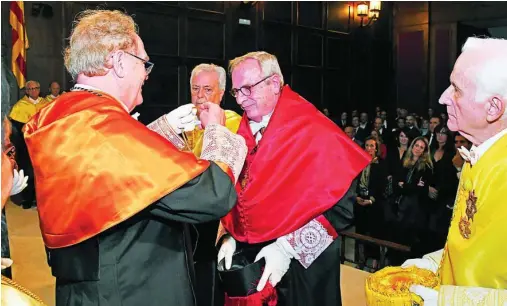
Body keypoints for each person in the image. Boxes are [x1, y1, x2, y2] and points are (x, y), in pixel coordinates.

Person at [23, 10, 247, 306]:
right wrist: (217, 132)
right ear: (117, 62)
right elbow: (214, 194)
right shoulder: (105, 128)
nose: (147, 73)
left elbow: (107, 177)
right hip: (129, 287)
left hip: (85, 283)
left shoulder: (62, 115)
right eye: (144, 63)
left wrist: (161, 129)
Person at [216, 51, 371, 305]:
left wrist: (287, 249)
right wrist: (230, 234)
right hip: (254, 265)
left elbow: (342, 210)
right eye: (236, 92)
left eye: (247, 89)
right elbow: (240, 194)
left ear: (274, 83)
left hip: (304, 271)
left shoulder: (314, 129)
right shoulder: (238, 131)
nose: (241, 100)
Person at [402, 37, 507, 305]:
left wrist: (448, 301)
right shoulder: (476, 154)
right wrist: (433, 263)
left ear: (494, 108)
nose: (443, 97)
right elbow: (474, 244)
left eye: (456, 89)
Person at [185, 63, 242, 306]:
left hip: (214, 224)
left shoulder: (235, 124)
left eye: (208, 89)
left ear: (221, 93)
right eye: (195, 88)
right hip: (184, 226)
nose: (200, 96)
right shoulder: (182, 122)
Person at [1, 52, 43, 306]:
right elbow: (12, 139)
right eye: (31, 87)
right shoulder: (18, 109)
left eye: (37, 87)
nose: (35, 90)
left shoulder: (46, 103)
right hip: (26, 153)